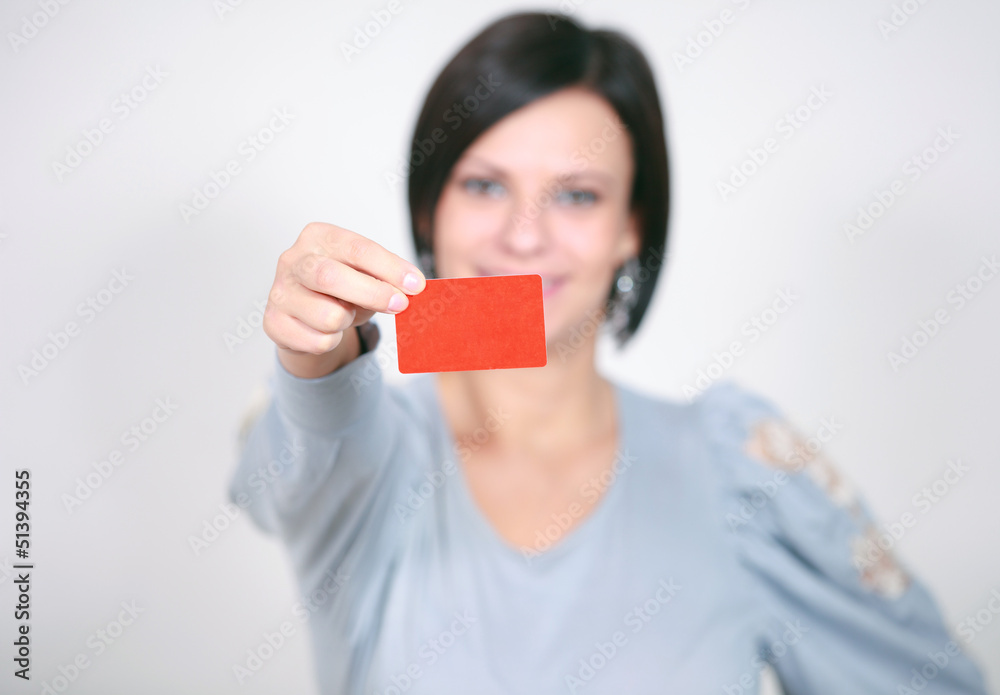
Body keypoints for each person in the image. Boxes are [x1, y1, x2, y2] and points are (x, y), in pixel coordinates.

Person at [229, 11, 990, 694]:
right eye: (486, 186)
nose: (525, 235)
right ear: (431, 209)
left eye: (577, 194)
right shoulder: (364, 461)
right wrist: (316, 357)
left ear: (633, 225)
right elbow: (307, 447)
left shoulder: (742, 469)